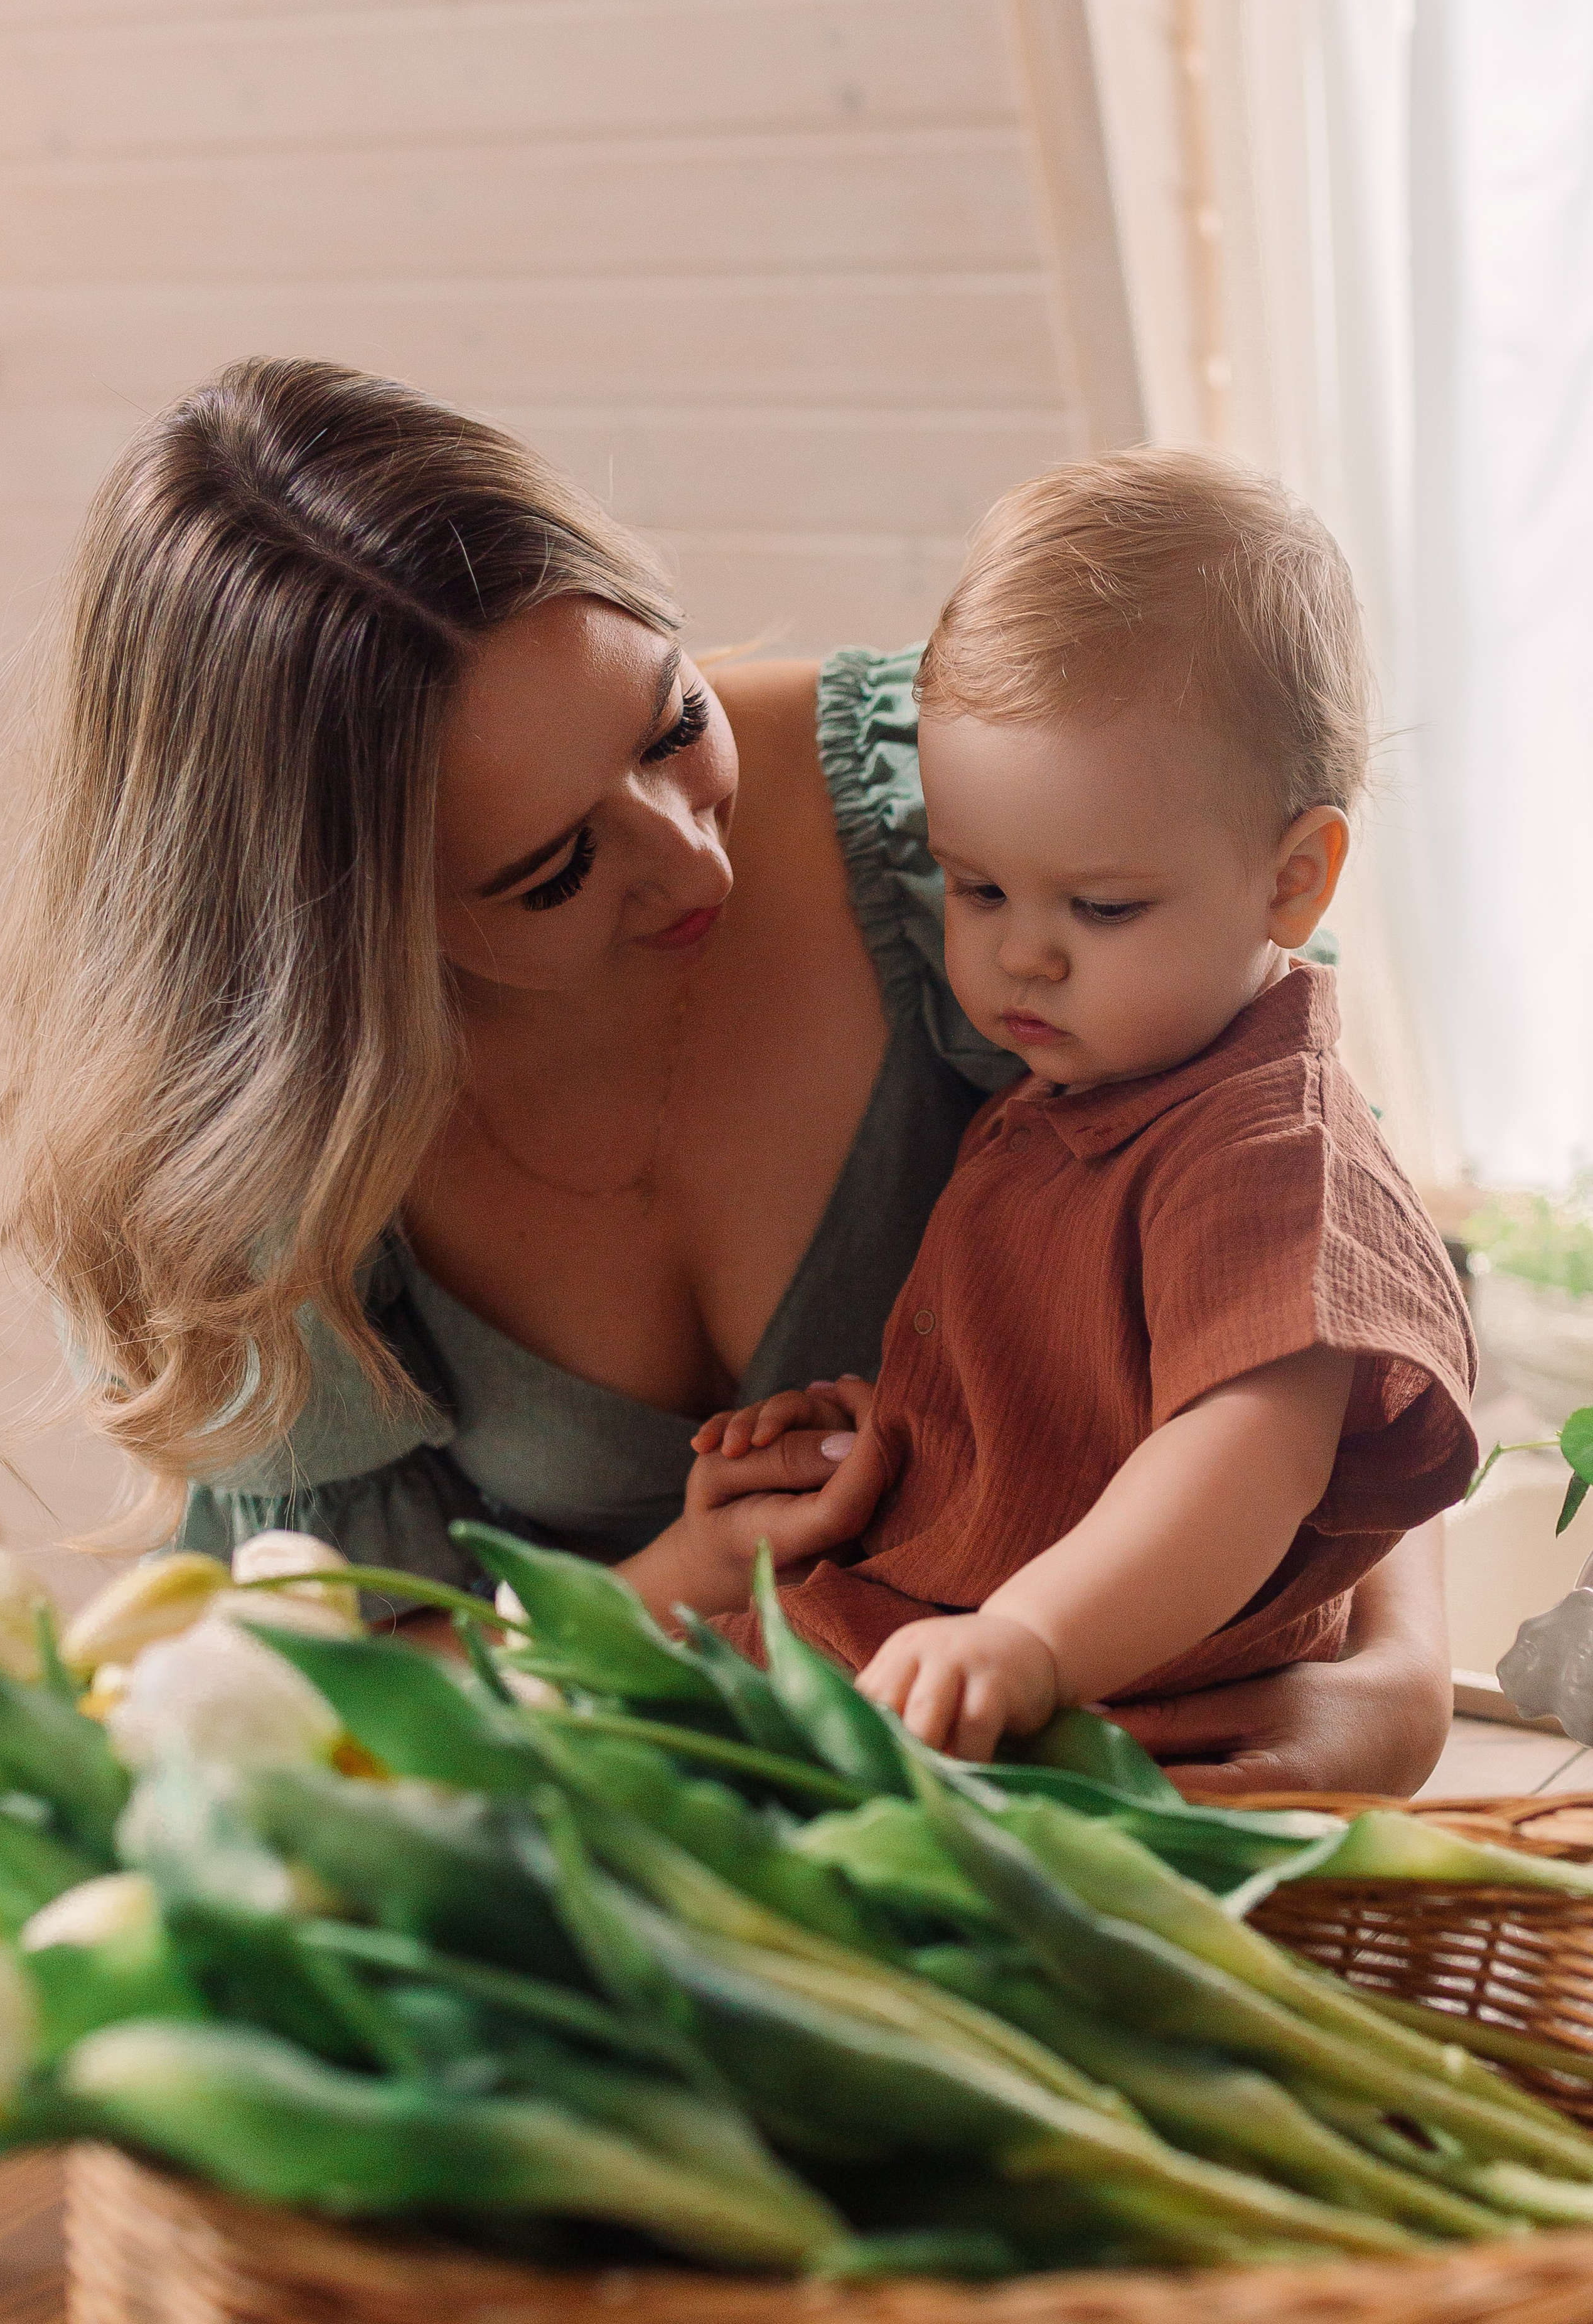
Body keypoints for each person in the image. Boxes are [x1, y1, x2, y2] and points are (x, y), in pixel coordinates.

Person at [0, 358, 1453, 1794]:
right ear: (347, 929)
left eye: (672, 724)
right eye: (551, 870)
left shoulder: (972, 821)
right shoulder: (252, 1171)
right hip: (644, 1808)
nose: (696, 862)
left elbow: (1304, 1260)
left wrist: (1394, 1683)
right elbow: (336, 1712)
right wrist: (687, 1572)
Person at [620, 452, 1477, 1761]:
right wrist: (900, 1439)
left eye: (1101, 906)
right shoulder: (1085, 1085)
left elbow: (1243, 1461)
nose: (1023, 954)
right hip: (936, 1618)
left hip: (1126, 1698)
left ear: (1292, 882)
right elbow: (1070, 1408)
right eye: (976, 888)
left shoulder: (1262, 1145)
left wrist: (1029, 1642)